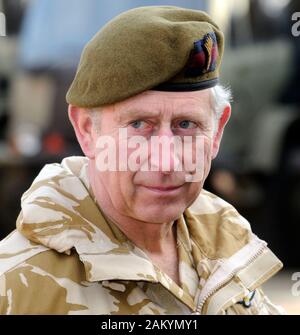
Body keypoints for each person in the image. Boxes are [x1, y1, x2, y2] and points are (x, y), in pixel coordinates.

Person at [0, 6, 285, 315]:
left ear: (217, 132)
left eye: (186, 125)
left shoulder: (229, 252)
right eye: (139, 125)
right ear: (86, 129)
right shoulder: (16, 286)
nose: (166, 162)